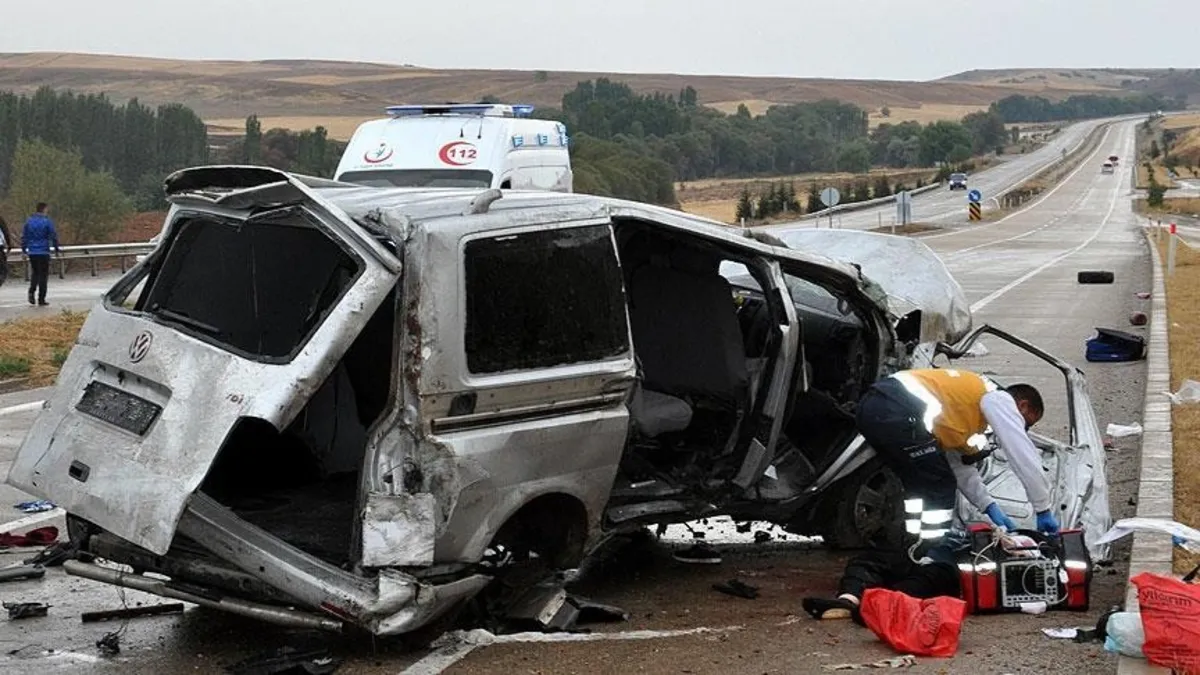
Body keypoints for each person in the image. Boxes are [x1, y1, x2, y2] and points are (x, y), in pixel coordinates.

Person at [855, 368, 1060, 543]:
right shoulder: (998, 399)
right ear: (1022, 406)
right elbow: (1021, 452)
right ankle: (932, 548)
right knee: (940, 485)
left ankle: (913, 543)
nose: (1022, 428)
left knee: (919, 484)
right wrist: (1042, 508)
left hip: (874, 408)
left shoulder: (963, 414)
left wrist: (988, 506)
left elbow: (958, 466)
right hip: (898, 408)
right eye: (1026, 423)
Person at [22, 202, 60, 307]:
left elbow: (24, 236)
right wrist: (56, 248)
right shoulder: (47, 222)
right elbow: (53, 235)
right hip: (43, 251)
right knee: (43, 275)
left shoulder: (29, 222)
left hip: (32, 252)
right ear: (44, 209)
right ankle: (41, 298)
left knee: (35, 273)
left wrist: (24, 250)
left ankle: (31, 291)